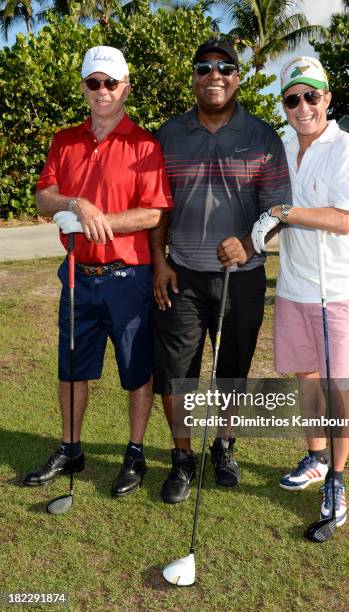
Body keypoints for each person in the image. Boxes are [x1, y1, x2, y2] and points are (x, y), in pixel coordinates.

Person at [23, 46, 173, 497]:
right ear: (85, 88)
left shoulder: (144, 144)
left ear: (125, 86)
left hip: (128, 279)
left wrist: (97, 220)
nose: (102, 91)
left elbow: (152, 214)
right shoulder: (64, 140)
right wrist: (76, 204)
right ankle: (71, 448)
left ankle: (134, 451)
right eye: (94, 83)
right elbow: (42, 197)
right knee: (72, 369)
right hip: (77, 275)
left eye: (111, 83)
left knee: (136, 372)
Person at [150, 38, 292, 504]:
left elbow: (277, 210)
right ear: (193, 77)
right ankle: (182, 457)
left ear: (238, 77)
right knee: (178, 375)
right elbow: (157, 209)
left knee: (232, 371)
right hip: (183, 275)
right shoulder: (168, 136)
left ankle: (225, 445)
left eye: (225, 68)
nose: (215, 75)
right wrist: (159, 262)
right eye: (204, 67)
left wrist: (250, 241)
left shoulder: (263, 137)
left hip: (242, 277)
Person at [252, 56, 349, 527]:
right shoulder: (281, 147)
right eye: (292, 99)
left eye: (311, 96)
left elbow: (344, 220)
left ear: (327, 98)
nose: (302, 106)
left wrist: (285, 212)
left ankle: (336, 481)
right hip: (294, 287)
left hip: (337, 290)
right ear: (284, 105)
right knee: (306, 378)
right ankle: (317, 456)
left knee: (337, 388)